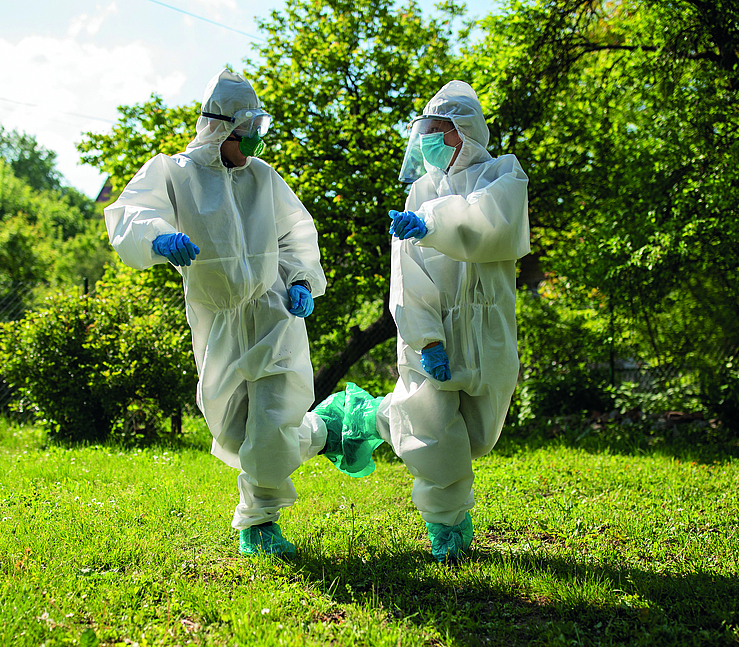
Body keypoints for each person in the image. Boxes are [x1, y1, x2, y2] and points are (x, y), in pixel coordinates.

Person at [104, 69, 336, 557]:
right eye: (245, 130)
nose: (252, 141)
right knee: (231, 428)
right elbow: (133, 213)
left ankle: (259, 523)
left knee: (271, 422)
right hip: (217, 320)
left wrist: (298, 280)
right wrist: (157, 238)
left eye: (257, 129)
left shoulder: (262, 177)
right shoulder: (175, 172)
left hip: (273, 313)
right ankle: (330, 430)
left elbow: (295, 232)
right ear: (219, 128)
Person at [313, 80, 530, 563]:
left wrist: (431, 223)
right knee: (436, 435)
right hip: (432, 328)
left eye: (437, 132)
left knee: (477, 434)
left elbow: (491, 223)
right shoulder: (419, 190)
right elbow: (407, 277)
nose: (428, 143)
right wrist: (425, 339)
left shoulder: (503, 175)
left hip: (489, 329)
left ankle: (366, 417)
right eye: (424, 133)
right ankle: (447, 529)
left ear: (463, 132)